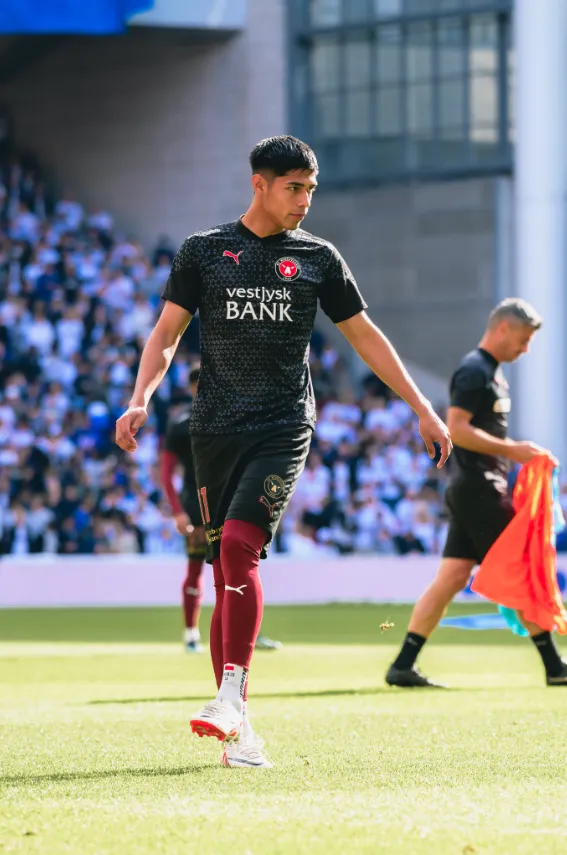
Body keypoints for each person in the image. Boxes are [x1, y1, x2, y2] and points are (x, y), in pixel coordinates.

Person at [116, 135, 451, 768]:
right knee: (223, 571)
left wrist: (422, 407)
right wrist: (140, 397)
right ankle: (240, 733)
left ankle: (231, 699)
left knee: (241, 547)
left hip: (283, 426)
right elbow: (165, 333)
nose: (305, 201)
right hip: (213, 429)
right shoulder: (204, 252)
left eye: (311, 189)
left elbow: (365, 336)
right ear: (260, 184)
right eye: (294, 187)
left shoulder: (318, 258)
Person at [386, 298, 567, 689]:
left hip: (472, 488)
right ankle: (555, 666)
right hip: (480, 489)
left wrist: (513, 452)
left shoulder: (493, 373)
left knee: (451, 577)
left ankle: (402, 664)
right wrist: (513, 450)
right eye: (523, 339)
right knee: (518, 570)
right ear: (503, 328)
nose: (525, 349)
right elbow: (457, 428)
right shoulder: (474, 371)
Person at [160, 369, 283, 654]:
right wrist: (178, 512)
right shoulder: (180, 425)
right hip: (197, 505)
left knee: (240, 567)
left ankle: (247, 631)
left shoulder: (234, 416)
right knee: (197, 569)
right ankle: (191, 633)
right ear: (192, 388)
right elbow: (166, 473)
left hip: (233, 501)